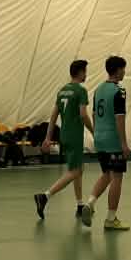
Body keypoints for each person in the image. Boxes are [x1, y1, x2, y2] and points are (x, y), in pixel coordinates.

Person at [35, 59, 93, 225]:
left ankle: (80, 205)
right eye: (85, 71)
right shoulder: (80, 91)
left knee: (78, 168)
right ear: (80, 72)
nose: (86, 74)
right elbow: (83, 114)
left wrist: (48, 138)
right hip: (74, 136)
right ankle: (45, 196)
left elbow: (53, 116)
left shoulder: (62, 91)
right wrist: (93, 131)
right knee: (75, 171)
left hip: (64, 135)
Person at [85, 55, 131, 231]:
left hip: (99, 138)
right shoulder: (119, 91)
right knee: (117, 178)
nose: (124, 72)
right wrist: (124, 144)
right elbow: (120, 118)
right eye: (123, 69)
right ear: (118, 70)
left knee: (106, 174)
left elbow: (94, 114)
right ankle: (111, 219)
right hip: (113, 140)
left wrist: (97, 134)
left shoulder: (98, 90)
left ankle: (90, 203)